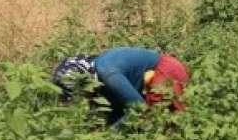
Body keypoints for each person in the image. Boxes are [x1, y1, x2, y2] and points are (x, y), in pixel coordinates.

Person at [53, 47, 190, 127]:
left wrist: (109, 137)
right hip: (149, 83)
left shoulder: (107, 74)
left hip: (167, 72)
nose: (83, 98)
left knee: (162, 123)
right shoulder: (95, 70)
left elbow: (139, 109)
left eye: (81, 93)